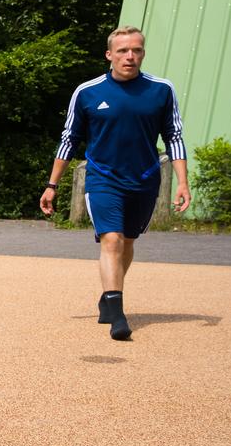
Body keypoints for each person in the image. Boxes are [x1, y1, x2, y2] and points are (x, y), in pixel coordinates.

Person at [39, 25, 189, 341]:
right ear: (109, 55)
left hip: (145, 179)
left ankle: (109, 294)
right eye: (122, 51)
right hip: (103, 179)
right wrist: (51, 185)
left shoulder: (161, 90)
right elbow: (69, 139)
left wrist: (182, 183)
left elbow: (174, 136)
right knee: (111, 240)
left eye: (136, 50)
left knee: (128, 242)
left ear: (143, 53)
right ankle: (118, 314)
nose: (129, 56)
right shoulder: (87, 92)